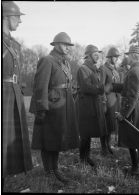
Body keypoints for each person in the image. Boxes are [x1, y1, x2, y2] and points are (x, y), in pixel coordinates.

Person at [29, 32, 80, 185]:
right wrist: (42, 109)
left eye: (69, 46)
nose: (68, 48)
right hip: (51, 105)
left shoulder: (65, 63)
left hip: (64, 104)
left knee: (58, 137)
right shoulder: (47, 60)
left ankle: (55, 169)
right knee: (48, 138)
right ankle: (49, 172)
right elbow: (40, 86)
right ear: (56, 45)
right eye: (65, 45)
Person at [2, 1, 33, 187]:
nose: (20, 21)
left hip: (13, 96)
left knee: (7, 146)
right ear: (4, 16)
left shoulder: (13, 44)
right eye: (17, 17)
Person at [115, 46, 139, 176]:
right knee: (138, 138)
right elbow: (134, 89)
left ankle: (136, 168)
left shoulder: (133, 72)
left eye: (128, 55)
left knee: (133, 138)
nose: (127, 58)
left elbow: (132, 96)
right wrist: (115, 86)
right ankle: (137, 166)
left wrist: (123, 114)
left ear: (132, 56)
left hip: (134, 107)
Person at [76, 44, 107, 168]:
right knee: (84, 133)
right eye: (95, 54)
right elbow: (85, 87)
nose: (98, 56)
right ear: (88, 55)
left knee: (88, 133)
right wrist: (100, 89)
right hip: (85, 105)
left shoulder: (93, 69)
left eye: (98, 54)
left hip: (92, 104)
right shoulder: (83, 69)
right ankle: (83, 158)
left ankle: (86, 156)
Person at [100, 47, 121, 156]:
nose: (116, 59)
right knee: (105, 125)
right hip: (107, 100)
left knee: (111, 125)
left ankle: (108, 145)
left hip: (115, 101)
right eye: (115, 56)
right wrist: (103, 102)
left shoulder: (115, 70)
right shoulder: (104, 69)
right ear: (109, 57)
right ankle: (103, 147)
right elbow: (101, 87)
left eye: (117, 57)